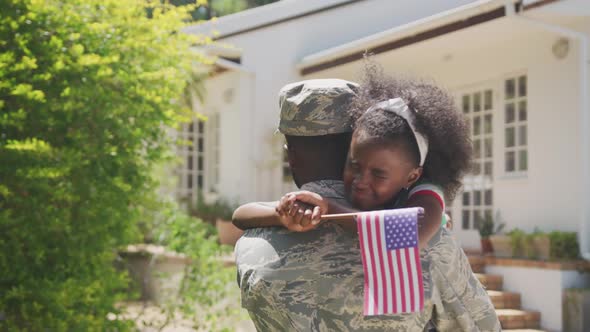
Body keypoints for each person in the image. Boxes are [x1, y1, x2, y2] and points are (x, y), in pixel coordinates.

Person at [273, 65, 500, 330]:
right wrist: (285, 209)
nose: (361, 180)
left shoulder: (427, 196)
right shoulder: (431, 240)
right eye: (354, 164)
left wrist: (327, 209)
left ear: (412, 176)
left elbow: (408, 234)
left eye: (378, 174)